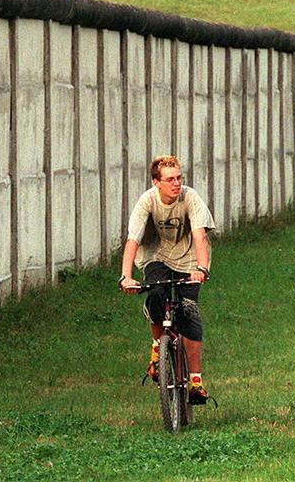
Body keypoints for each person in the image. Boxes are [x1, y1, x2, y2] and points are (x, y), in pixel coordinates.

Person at [119, 155, 216, 404]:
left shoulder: (190, 197)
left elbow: (200, 237)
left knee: (188, 311)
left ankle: (196, 381)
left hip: (190, 259)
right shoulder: (147, 201)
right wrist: (126, 277)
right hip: (157, 255)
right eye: (170, 179)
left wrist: (202, 268)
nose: (176, 183)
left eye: (179, 178)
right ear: (156, 182)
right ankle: (157, 349)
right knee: (155, 295)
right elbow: (133, 240)